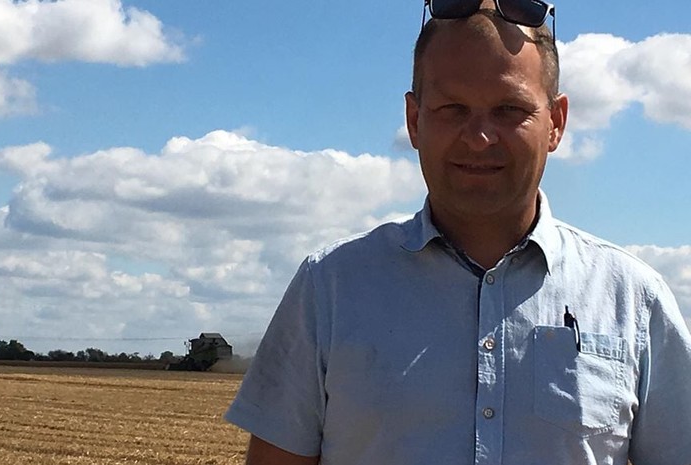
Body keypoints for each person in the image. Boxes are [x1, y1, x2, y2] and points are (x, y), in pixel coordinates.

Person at [225, 2, 691, 464]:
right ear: (414, 120)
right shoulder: (328, 287)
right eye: (453, 109)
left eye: (509, 109)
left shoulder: (634, 299)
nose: (479, 137)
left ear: (556, 123)